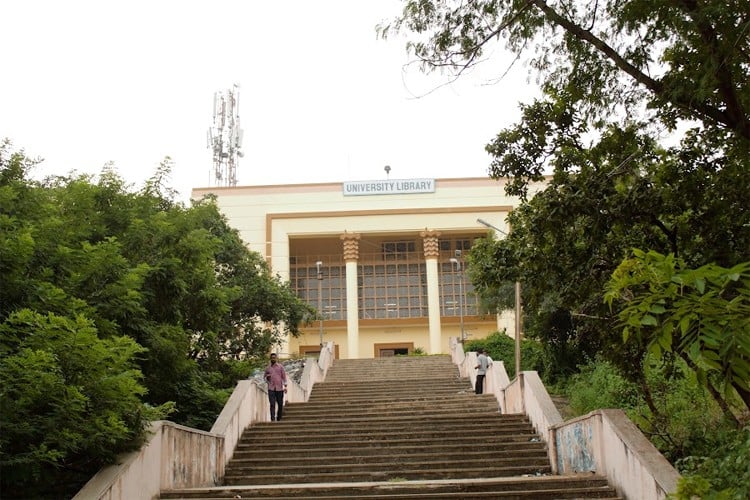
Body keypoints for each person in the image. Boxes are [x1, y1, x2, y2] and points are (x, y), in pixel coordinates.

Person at [263, 352, 287, 421]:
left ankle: (279, 418)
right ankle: (272, 419)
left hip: (279, 388)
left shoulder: (280, 367)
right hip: (271, 388)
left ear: (276, 358)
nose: (273, 359)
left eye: (274, 358)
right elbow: (264, 378)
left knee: (280, 404)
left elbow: (284, 377)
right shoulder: (268, 368)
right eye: (272, 358)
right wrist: (267, 378)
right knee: (272, 404)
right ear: (270, 359)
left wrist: (285, 386)